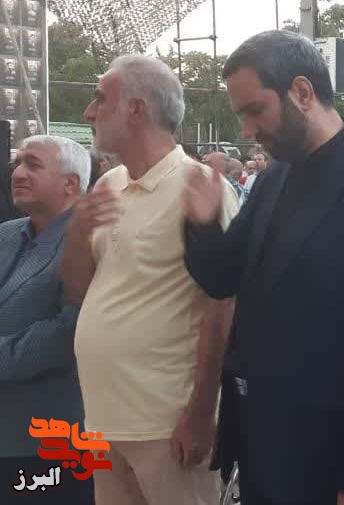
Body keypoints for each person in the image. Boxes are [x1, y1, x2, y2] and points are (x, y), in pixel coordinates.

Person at [180, 30, 344, 505]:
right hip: (261, 442)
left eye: (255, 110)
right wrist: (204, 222)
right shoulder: (276, 177)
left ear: (301, 92)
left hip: (327, 457)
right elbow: (222, 278)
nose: (247, 130)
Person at [61, 55, 237, 505]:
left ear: (137, 109)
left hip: (167, 424)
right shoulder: (107, 186)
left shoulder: (201, 186)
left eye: (100, 98)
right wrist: (78, 233)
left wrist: (201, 412)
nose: (89, 112)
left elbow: (223, 304)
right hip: (103, 419)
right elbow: (79, 292)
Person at [0, 136, 93, 505]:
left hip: (51, 438)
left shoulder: (90, 241)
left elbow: (67, 331)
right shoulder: (6, 234)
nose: (18, 173)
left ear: (71, 183)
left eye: (33, 164)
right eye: (18, 163)